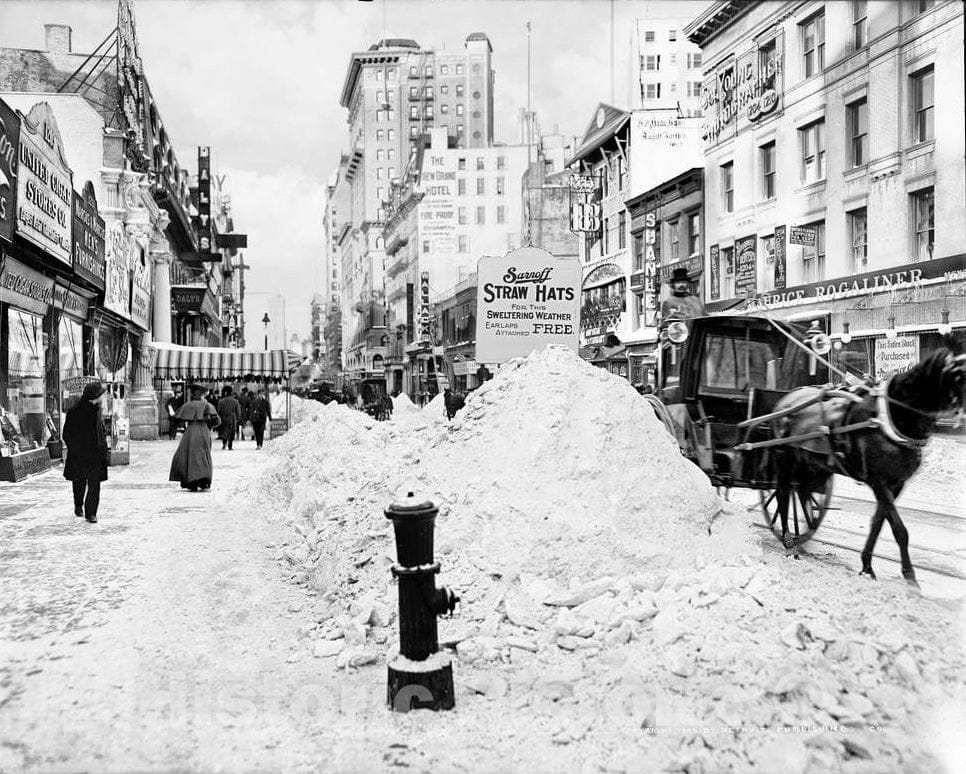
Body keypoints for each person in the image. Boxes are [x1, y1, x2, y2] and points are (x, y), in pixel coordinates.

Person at [62, 381, 109, 523]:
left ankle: (91, 513)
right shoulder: (75, 411)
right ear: (95, 395)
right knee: (79, 480)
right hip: (80, 453)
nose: (103, 396)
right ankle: (78, 505)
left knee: (95, 484)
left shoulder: (98, 409)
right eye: (101, 394)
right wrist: (76, 448)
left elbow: (100, 430)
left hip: (96, 453)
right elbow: (67, 434)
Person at [169, 384, 220, 491]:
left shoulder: (187, 405)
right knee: (203, 454)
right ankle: (204, 480)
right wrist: (208, 425)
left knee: (188, 454)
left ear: (193, 394)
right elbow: (217, 421)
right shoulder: (208, 406)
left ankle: (190, 480)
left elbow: (177, 419)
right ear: (202, 395)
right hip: (203, 431)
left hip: (190, 432)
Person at [216, 386, 242, 450]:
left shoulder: (221, 401)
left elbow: (218, 411)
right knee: (232, 431)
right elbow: (238, 411)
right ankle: (230, 445)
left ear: (225, 393)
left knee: (224, 431)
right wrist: (238, 419)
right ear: (231, 392)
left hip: (223, 418)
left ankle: (224, 443)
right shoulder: (235, 401)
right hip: (232, 418)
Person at [249, 385, 272, 450]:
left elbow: (268, 410)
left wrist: (270, 418)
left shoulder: (265, 402)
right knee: (257, 432)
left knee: (261, 431)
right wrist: (251, 418)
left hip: (262, 419)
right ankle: (258, 444)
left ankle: (260, 444)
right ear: (258, 394)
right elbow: (251, 409)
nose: (261, 395)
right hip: (255, 419)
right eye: (260, 394)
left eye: (262, 394)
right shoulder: (254, 401)